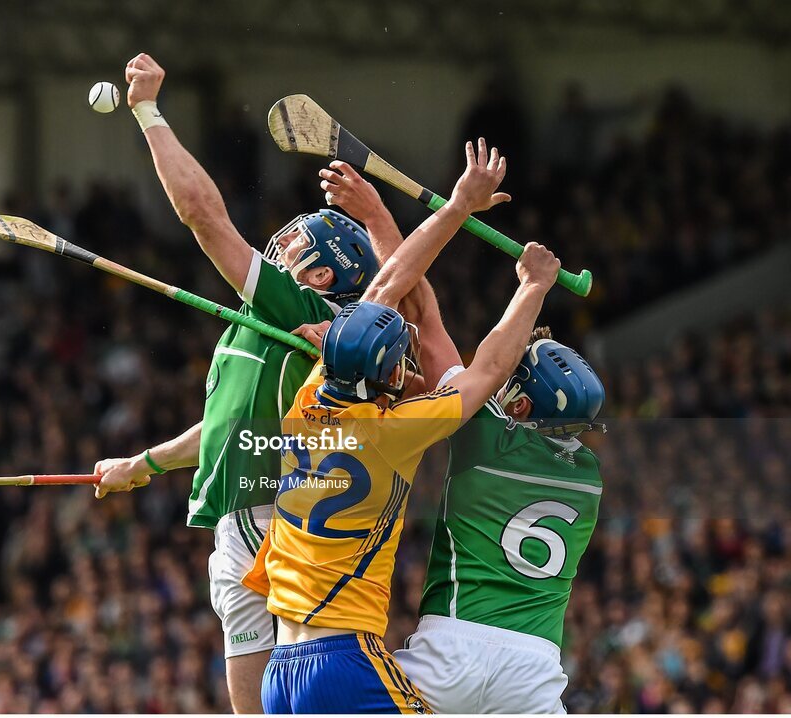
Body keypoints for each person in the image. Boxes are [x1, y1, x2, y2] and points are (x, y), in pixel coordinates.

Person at [90, 52, 405, 713]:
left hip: (274, 517)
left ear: (325, 276)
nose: (281, 252)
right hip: (237, 519)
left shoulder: (306, 313)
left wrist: (147, 111)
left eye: (299, 251)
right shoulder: (257, 323)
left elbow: (203, 214)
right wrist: (144, 461)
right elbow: (228, 429)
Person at [245, 141, 564, 713]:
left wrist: (456, 206)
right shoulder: (398, 430)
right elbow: (489, 370)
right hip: (345, 660)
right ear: (389, 370)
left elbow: (385, 286)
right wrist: (532, 287)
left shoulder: (310, 394)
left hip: (280, 670)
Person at [393, 326, 606, 714]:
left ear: (521, 406)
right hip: (535, 667)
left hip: (451, 647)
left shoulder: (486, 434)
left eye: (511, 386)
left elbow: (429, 325)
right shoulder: (590, 475)